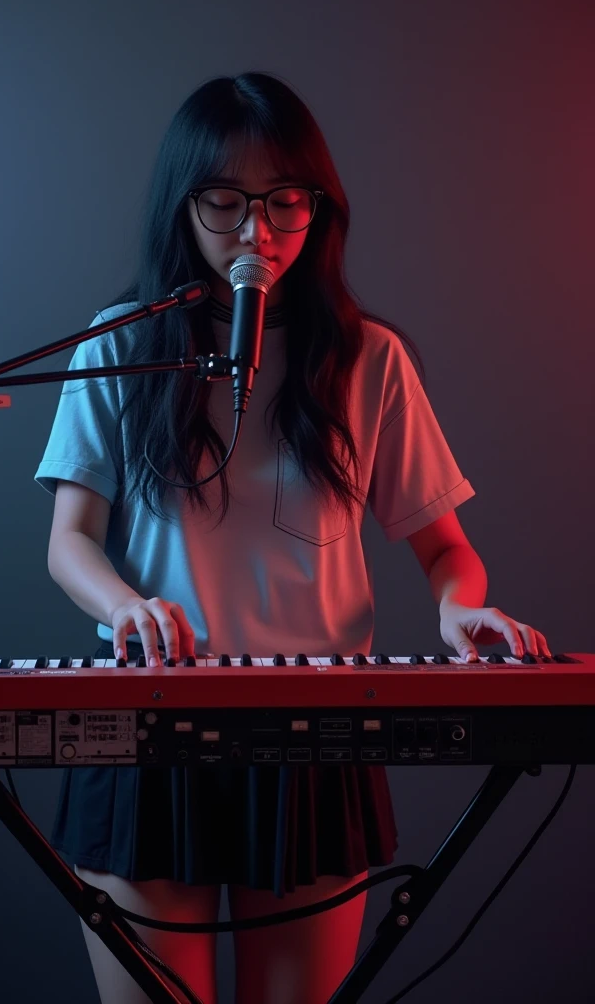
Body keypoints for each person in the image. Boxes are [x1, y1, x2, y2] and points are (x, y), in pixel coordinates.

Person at [34, 71, 551, 1004]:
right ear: (182, 204)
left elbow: (446, 550)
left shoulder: (366, 357)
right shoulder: (117, 344)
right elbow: (70, 540)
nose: (255, 232)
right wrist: (125, 606)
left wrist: (463, 610)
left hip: (319, 734)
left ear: (319, 208)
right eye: (225, 202)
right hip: (148, 728)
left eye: (284, 202)